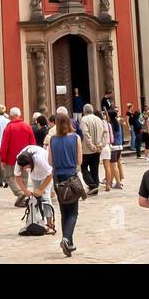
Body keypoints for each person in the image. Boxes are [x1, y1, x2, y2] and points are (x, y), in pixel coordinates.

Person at [47, 110, 83, 257]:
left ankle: (69, 243)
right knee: (73, 212)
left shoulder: (52, 140)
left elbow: (50, 161)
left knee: (64, 212)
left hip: (58, 178)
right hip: (71, 177)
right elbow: (79, 161)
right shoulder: (75, 138)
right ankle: (66, 239)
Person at [15, 145, 55, 234]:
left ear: (30, 162)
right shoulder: (19, 159)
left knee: (45, 198)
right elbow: (17, 176)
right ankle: (38, 222)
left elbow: (50, 174)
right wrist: (25, 191)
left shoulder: (39, 159)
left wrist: (41, 189)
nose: (23, 169)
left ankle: (50, 225)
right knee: (35, 199)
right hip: (34, 176)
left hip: (46, 175)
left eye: (25, 167)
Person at [0, 108, 35, 204]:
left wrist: (2, 159)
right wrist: (32, 157)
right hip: (25, 157)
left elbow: (4, 145)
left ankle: (19, 193)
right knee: (24, 177)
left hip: (11, 157)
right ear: (20, 115)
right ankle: (23, 196)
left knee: (9, 176)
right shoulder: (27, 126)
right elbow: (32, 143)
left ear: (11, 116)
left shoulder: (9, 128)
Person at [78, 104, 107, 194]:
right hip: (98, 148)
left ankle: (92, 185)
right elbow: (105, 133)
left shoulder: (84, 119)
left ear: (84, 111)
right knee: (95, 168)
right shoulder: (99, 119)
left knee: (83, 167)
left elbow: (85, 134)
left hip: (87, 150)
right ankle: (95, 187)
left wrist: (91, 146)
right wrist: (102, 144)